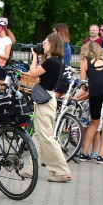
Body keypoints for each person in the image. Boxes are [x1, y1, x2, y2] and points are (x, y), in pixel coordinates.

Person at [27, 33, 72, 182]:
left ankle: (62, 171)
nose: (43, 44)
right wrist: (41, 56)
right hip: (48, 99)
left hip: (44, 102)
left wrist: (34, 57)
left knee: (46, 137)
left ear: (52, 44)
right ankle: (31, 169)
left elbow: (33, 73)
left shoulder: (52, 62)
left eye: (45, 42)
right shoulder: (57, 61)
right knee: (38, 136)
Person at [78, 40, 103, 163]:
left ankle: (84, 153)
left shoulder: (85, 60)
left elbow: (84, 83)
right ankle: (101, 156)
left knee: (94, 123)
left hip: (95, 93)